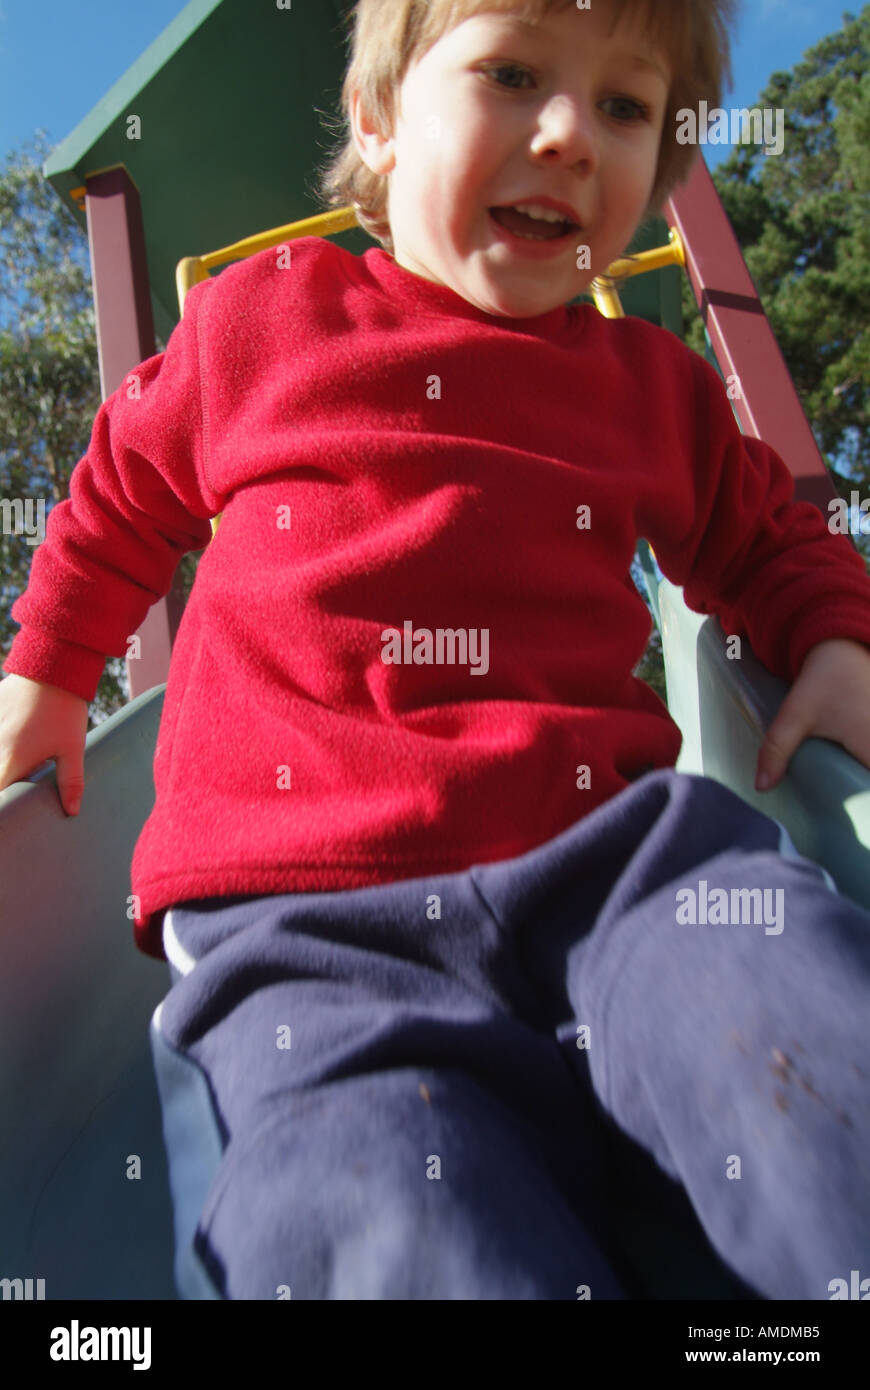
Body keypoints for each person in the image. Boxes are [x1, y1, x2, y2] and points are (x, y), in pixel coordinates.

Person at [3, 0, 870, 1300]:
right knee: (369, 1184)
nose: (571, 132)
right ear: (376, 121)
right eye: (513, 73)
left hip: (612, 859)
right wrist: (49, 674)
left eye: (625, 105)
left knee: (787, 1000)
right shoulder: (261, 323)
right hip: (301, 913)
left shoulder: (651, 385)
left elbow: (766, 539)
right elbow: (118, 494)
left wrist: (837, 638)